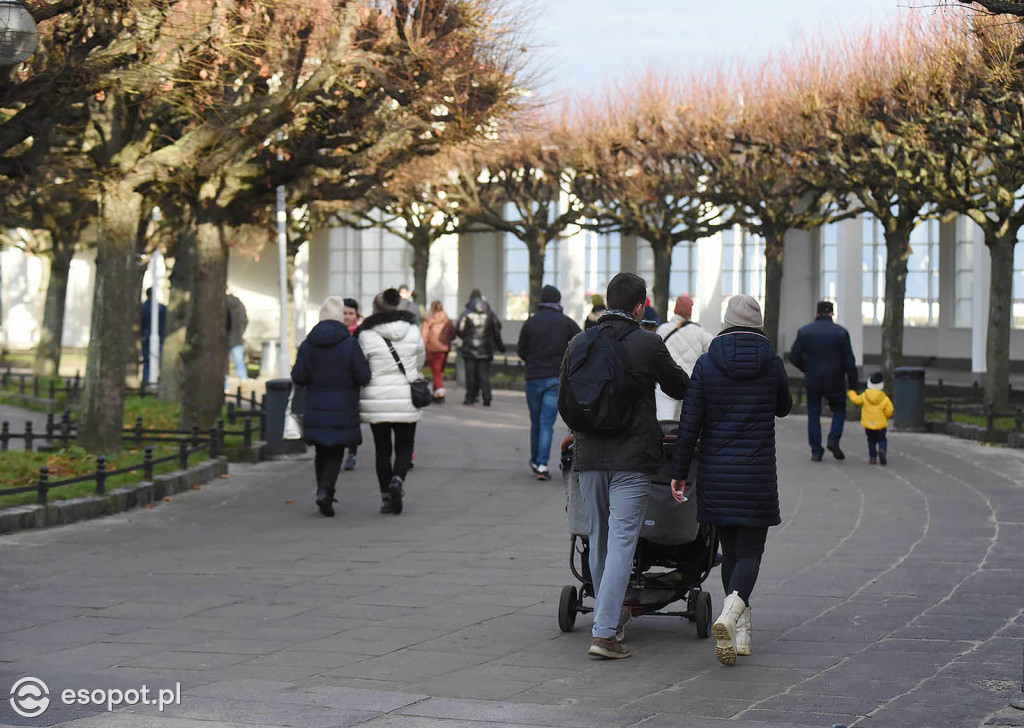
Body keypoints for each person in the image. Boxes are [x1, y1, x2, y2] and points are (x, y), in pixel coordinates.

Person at [561, 272, 689, 659]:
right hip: (632, 459)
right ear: (640, 307)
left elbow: (567, 393)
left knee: (598, 539)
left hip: (588, 456)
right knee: (622, 543)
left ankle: (610, 619)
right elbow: (680, 387)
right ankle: (604, 632)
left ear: (606, 299)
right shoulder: (647, 344)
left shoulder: (579, 342)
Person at [669, 294, 792, 666]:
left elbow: (689, 420)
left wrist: (678, 473)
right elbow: (784, 407)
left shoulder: (707, 364)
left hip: (717, 472)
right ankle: (731, 620)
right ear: (758, 324)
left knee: (733, 553)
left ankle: (737, 637)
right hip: (755, 474)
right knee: (751, 553)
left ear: (725, 321)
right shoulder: (771, 363)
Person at [291, 297, 372, 517]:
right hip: (343, 406)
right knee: (336, 449)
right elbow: (363, 375)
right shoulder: (350, 343)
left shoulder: (309, 343)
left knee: (321, 450)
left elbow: (298, 376)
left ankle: (321, 489)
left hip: (316, 405)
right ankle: (326, 489)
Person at [357, 288, 426, 515]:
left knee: (382, 449)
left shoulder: (366, 335)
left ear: (375, 309)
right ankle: (398, 479)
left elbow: (361, 366)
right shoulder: (413, 331)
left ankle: (386, 497)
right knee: (405, 446)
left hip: (377, 397)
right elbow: (420, 360)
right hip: (406, 396)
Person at [517, 285, 580, 481]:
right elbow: (580, 345)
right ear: (558, 301)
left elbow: (521, 350)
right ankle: (542, 464)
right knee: (546, 423)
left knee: (535, 422)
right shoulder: (567, 324)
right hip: (556, 378)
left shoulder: (530, 323)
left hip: (534, 377)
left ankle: (536, 460)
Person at [789, 300, 859, 461]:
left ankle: (816, 450)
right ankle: (833, 439)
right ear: (832, 313)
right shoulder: (841, 333)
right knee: (839, 410)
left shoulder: (805, 332)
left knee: (813, 413)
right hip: (836, 380)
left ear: (817, 313)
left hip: (813, 379)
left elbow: (793, 356)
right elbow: (850, 362)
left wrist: (806, 368)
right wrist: (853, 386)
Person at [655, 293, 714, 422]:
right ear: (690, 311)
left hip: (664, 385)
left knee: (664, 423)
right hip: (689, 384)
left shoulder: (662, 330)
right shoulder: (699, 332)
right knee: (685, 424)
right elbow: (714, 349)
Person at [456, 288, 504, 406]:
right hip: (485, 349)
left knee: (470, 375)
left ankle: (470, 398)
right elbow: (497, 327)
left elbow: (459, 329)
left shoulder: (466, 312)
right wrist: (497, 344)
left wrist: (467, 338)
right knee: (484, 375)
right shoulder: (489, 312)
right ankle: (487, 398)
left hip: (470, 348)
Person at [848, 372, 894, 465]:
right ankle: (882, 449)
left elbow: (856, 400)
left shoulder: (865, 395)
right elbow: (890, 410)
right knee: (882, 439)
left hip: (868, 424)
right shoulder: (885, 398)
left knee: (871, 440)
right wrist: (886, 416)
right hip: (881, 424)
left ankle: (872, 458)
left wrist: (851, 393)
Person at [341, 297, 362, 470]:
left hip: (354, 383)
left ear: (356, 315)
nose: (347, 317)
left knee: (352, 419)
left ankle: (352, 453)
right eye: (344, 313)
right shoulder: (333, 331)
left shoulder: (361, 333)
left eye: (350, 313)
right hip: (338, 382)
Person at [421, 300, 455, 403]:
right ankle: (436, 393)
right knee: (439, 371)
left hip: (432, 348)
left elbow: (423, 334)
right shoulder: (447, 320)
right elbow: (453, 333)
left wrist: (425, 345)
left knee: (435, 371)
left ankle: (440, 392)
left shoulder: (429, 320)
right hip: (444, 348)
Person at [140, 287, 167, 386]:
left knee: (147, 361)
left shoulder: (143, 308)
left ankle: (146, 381)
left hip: (146, 338)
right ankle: (154, 381)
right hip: (159, 337)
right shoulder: (162, 308)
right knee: (157, 360)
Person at [226, 287, 249, 382]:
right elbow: (245, 320)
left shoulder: (223, 304)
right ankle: (244, 381)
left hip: (225, 338)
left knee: (224, 364)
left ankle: (225, 385)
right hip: (237, 337)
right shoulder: (239, 304)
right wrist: (241, 331)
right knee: (239, 362)